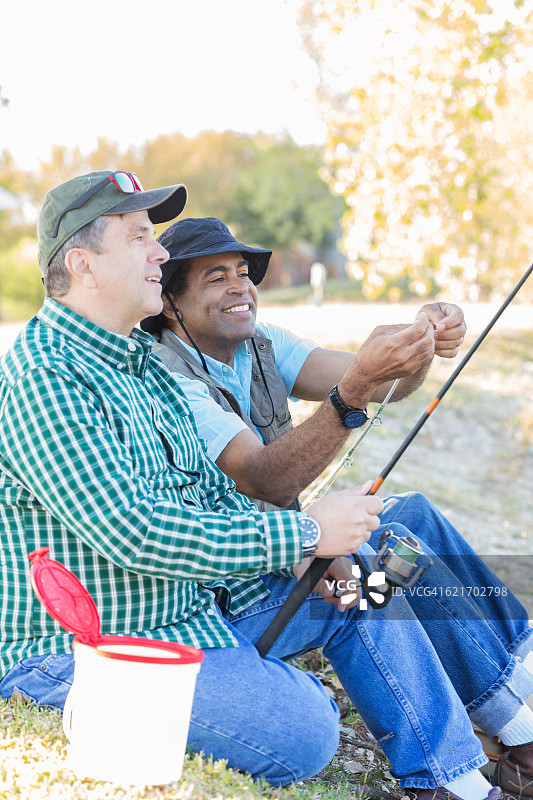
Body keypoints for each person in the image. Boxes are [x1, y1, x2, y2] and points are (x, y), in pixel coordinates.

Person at [0, 178, 530, 800]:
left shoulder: (141, 368)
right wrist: (304, 532)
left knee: (366, 581)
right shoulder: (46, 375)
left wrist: (308, 553)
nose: (159, 254)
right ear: (81, 264)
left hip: (190, 615)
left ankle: (460, 782)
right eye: (140, 237)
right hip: (81, 652)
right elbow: (137, 531)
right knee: (305, 729)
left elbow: (208, 494)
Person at [136, 215, 533, 797]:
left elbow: (386, 382)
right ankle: (464, 771)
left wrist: (418, 342)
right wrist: (355, 390)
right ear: (170, 303)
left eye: (243, 274)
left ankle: (518, 706)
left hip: (284, 542)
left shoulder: (261, 343)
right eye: (215, 278)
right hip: (237, 580)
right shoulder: (171, 379)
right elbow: (264, 480)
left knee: (412, 516)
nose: (240, 288)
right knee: (372, 574)